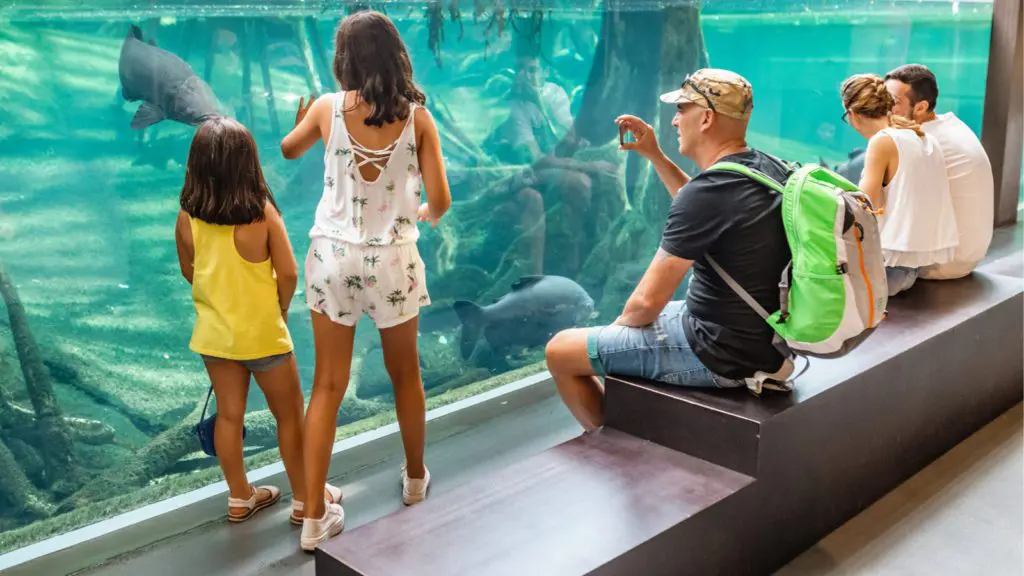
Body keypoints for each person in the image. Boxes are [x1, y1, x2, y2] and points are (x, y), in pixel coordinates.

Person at [280, 10, 451, 551]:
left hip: (332, 258)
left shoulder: (328, 110)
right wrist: (417, 212)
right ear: (395, 55)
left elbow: (287, 149)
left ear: (344, 59)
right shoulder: (419, 119)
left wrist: (304, 115)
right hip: (394, 261)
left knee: (327, 385)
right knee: (406, 375)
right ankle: (416, 479)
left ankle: (312, 517)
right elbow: (440, 202)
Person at [544, 69, 793, 432]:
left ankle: (607, 442)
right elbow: (706, 209)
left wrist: (612, 341)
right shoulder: (766, 168)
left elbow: (645, 306)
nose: (674, 120)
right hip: (769, 339)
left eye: (682, 109)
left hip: (721, 354)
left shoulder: (709, 193)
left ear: (706, 118)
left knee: (561, 351)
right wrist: (655, 155)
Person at [174, 116, 340, 526]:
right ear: (248, 163)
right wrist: (279, 311)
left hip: (215, 337)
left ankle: (240, 497)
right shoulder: (261, 214)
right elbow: (288, 274)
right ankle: (305, 500)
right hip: (263, 335)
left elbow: (189, 270)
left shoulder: (186, 216)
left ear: (197, 164)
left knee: (229, 416)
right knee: (289, 416)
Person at [840, 73, 959, 296]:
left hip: (887, 271)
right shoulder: (921, 135)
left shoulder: (883, 141)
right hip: (914, 267)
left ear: (852, 115)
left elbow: (863, 206)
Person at [884, 64, 994, 280]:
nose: (883, 107)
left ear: (921, 107)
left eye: (893, 102)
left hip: (941, 263)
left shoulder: (920, 141)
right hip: (969, 255)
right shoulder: (951, 125)